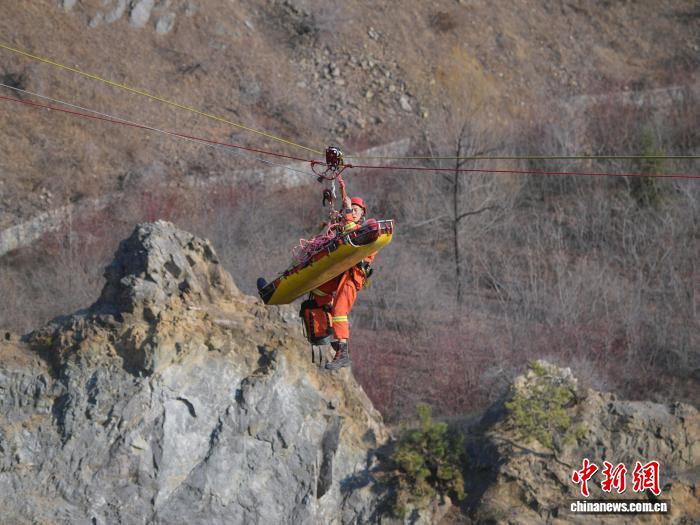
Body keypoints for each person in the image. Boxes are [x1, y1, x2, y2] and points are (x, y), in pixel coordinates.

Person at [311, 195, 376, 370]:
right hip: (341, 273)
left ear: (362, 214)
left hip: (352, 277)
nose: (353, 212)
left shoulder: (365, 231)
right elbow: (337, 237)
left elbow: (352, 235)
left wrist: (346, 210)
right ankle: (329, 324)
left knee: (340, 311)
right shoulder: (346, 226)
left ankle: (343, 351)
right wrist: (334, 221)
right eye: (351, 209)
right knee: (319, 290)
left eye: (356, 210)